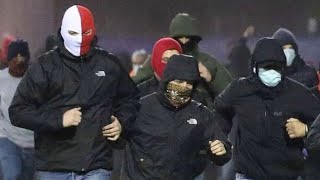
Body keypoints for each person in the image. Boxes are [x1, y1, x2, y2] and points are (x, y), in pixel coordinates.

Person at [9, 5, 140, 180]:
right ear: (63, 31)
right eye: (73, 33)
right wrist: (58, 119)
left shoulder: (109, 64)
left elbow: (130, 98)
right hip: (53, 167)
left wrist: (122, 122)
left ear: (93, 31)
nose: (79, 40)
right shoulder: (45, 66)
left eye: (85, 33)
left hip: (96, 164)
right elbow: (18, 111)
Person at [214, 38, 320, 179]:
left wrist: (306, 129)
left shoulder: (298, 93)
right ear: (255, 67)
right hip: (248, 175)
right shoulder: (239, 89)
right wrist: (221, 140)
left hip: (288, 175)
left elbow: (317, 121)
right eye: (266, 67)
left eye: (276, 67)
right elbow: (220, 111)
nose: (272, 71)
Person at [124, 54, 231, 180]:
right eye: (179, 81)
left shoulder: (200, 113)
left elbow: (221, 144)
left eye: (189, 83)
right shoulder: (141, 108)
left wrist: (221, 150)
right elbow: (118, 139)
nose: (184, 87)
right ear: (167, 80)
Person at [0, 39, 34, 180]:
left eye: (23, 61)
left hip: (32, 140)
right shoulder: (1, 78)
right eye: (15, 60)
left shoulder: (37, 78)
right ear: (8, 61)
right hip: (7, 137)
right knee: (12, 175)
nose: (19, 64)